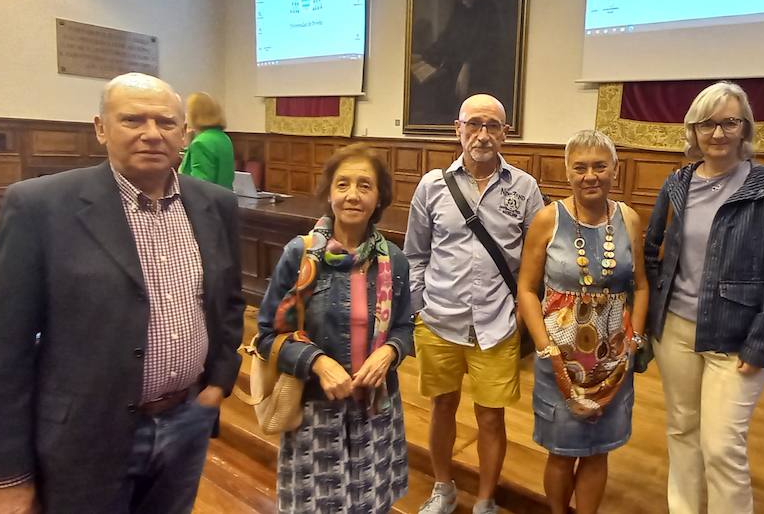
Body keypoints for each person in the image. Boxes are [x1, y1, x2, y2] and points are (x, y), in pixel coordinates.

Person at [0, 73, 246, 514]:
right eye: (133, 119)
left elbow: (228, 302)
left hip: (185, 422)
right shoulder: (40, 206)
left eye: (166, 122)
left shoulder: (214, 204)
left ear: (184, 133)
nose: (152, 134)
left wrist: (217, 382)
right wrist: (10, 474)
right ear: (100, 127)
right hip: (85, 433)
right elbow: (4, 348)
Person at [642, 81, 764, 514]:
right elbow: (652, 249)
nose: (718, 133)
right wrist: (656, 310)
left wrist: (762, 341)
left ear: (744, 128)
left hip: (735, 336)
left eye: (729, 122)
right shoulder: (678, 182)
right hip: (675, 331)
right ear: (693, 130)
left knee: (723, 446)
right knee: (682, 430)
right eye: (708, 123)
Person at [256, 143, 415, 513]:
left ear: (379, 197)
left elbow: (405, 327)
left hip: (374, 410)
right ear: (329, 193)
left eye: (364, 185)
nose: (353, 195)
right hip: (315, 409)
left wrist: (390, 352)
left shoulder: (395, 260)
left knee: (370, 502)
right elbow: (266, 335)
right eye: (342, 185)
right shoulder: (301, 254)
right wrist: (316, 360)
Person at [405, 94, 544, 514]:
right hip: (439, 320)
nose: (483, 134)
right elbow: (415, 254)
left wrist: (522, 315)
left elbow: (536, 258)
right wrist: (418, 306)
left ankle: (486, 500)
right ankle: (443, 487)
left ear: (506, 133)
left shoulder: (525, 188)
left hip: (497, 325)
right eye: (474, 124)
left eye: (493, 126)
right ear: (457, 128)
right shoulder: (431, 186)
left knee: (490, 417)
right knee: (442, 406)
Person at [516, 130, 649, 514]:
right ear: (568, 172)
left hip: (613, 360)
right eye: (581, 168)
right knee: (562, 452)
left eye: (600, 166)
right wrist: (544, 345)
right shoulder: (547, 219)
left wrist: (635, 339)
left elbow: (641, 286)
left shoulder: (629, 219)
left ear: (615, 170)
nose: (590, 175)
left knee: (598, 452)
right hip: (559, 358)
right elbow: (526, 288)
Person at [409, 0, 504, 125]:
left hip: (479, 81)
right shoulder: (460, 11)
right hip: (452, 75)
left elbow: (488, 48)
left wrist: (468, 65)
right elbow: (445, 41)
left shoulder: (489, 13)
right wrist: (422, 56)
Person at [178, 92, 235, 190]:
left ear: (195, 114)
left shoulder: (200, 142)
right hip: (223, 198)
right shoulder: (223, 137)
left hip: (204, 201)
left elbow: (199, 183)